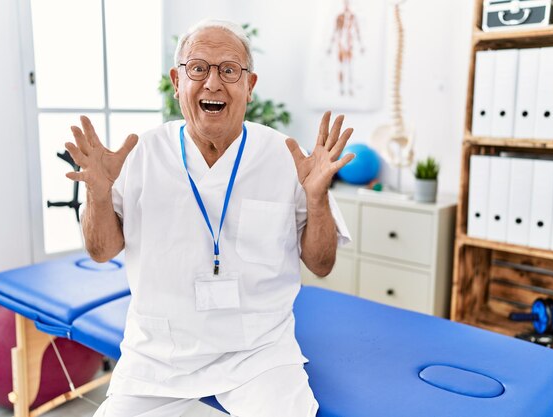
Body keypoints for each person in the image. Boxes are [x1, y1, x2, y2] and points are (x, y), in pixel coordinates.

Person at [64, 19, 355, 417]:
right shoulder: (143, 153)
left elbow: (321, 264)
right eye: (198, 68)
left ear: (250, 86)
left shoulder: (285, 155)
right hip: (158, 355)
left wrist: (317, 198)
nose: (213, 83)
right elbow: (102, 251)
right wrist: (97, 194)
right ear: (176, 80)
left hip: (259, 354)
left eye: (229, 70)